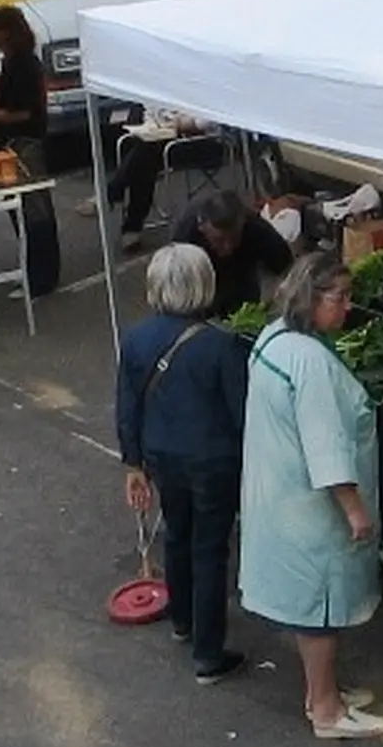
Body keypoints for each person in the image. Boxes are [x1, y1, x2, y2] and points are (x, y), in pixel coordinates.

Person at [241, 253, 383, 740]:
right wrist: (354, 508)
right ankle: (326, 710)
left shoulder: (274, 337)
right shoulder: (310, 362)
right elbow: (325, 444)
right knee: (320, 608)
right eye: (340, 298)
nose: (348, 307)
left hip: (280, 494)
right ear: (312, 297)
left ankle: (320, 691)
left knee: (309, 605)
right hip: (311, 507)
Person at [116, 245, 250, 684]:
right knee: (210, 548)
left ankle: (182, 619)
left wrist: (133, 462)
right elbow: (241, 412)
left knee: (177, 534)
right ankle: (208, 652)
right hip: (213, 459)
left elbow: (127, 405)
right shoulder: (221, 345)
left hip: (161, 455)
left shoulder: (135, 339)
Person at [80, 106, 214, 253]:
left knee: (146, 153)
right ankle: (128, 223)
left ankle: (113, 199)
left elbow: (208, 120)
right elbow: (150, 111)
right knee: (146, 154)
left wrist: (181, 124)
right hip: (166, 139)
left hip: (204, 141)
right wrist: (151, 126)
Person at [171, 190, 294, 318]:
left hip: (242, 284)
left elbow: (286, 268)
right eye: (219, 240)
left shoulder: (256, 228)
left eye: (235, 238)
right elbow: (174, 283)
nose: (228, 247)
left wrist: (274, 300)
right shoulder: (186, 236)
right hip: (200, 286)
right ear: (202, 228)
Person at [0, 5, 47, 171]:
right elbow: (12, 92)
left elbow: (23, 112)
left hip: (22, 142)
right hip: (13, 139)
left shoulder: (23, 64)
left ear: (6, 33)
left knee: (30, 189)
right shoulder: (11, 61)